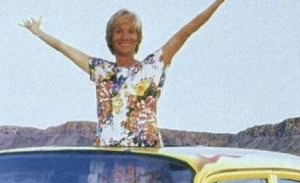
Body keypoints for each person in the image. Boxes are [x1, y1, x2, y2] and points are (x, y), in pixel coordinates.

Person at [21, 1, 226, 147]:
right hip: (108, 159)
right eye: (118, 31)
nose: (125, 36)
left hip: (146, 159)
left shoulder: (153, 66)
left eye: (131, 31)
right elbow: (64, 48)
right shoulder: (101, 70)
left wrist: (218, 2)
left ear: (138, 37)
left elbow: (187, 31)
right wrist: (38, 32)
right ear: (110, 38)